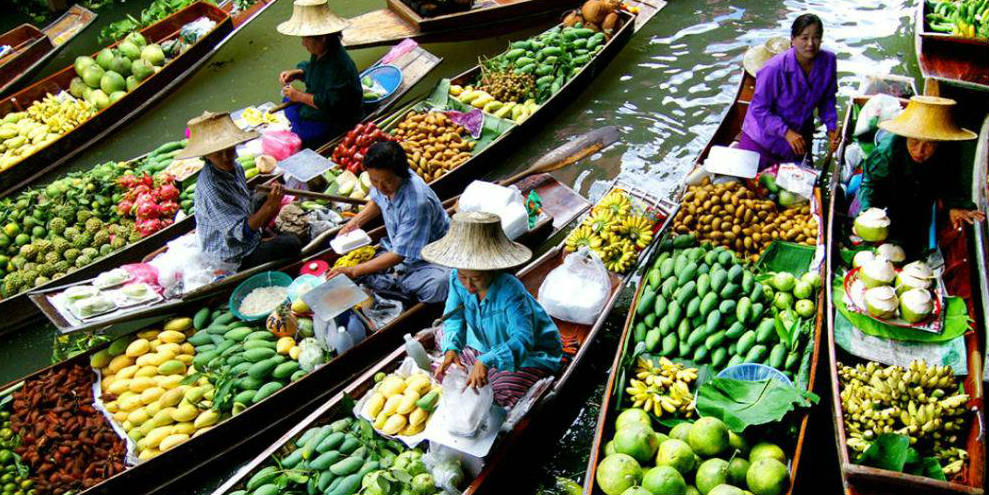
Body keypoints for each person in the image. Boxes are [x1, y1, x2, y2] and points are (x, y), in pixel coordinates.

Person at [424, 211, 563, 408]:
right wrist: (451, 349)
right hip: (486, 343)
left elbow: (523, 339)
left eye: (477, 278)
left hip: (531, 353)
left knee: (498, 392)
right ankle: (477, 360)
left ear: (492, 269)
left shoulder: (510, 290)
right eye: (464, 276)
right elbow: (454, 319)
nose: (468, 285)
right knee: (443, 336)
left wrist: (487, 360)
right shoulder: (456, 279)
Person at [855, 95, 983, 256]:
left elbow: (950, 179)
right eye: (914, 141)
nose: (920, 151)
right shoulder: (886, 154)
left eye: (929, 143)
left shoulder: (949, 151)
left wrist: (955, 205)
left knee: (913, 243)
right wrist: (868, 213)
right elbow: (870, 185)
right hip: (889, 196)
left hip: (921, 200)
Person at [177, 111, 302, 269]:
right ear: (207, 156)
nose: (226, 157)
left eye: (229, 150)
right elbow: (240, 234)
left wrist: (269, 200)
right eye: (218, 154)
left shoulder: (235, 166)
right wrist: (270, 206)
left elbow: (244, 198)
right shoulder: (212, 189)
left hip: (239, 223)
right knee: (292, 243)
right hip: (231, 252)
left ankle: (264, 232)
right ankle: (262, 242)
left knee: (263, 196)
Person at [334, 141, 450, 304]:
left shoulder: (416, 203)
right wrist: (355, 222)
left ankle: (398, 284)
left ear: (401, 174)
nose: (380, 187)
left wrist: (353, 271)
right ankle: (392, 278)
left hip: (429, 257)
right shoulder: (384, 179)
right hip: (395, 246)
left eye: (386, 182)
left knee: (440, 284)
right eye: (374, 181)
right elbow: (377, 200)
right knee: (370, 264)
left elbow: (399, 254)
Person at [738, 13, 840, 169]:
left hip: (797, 141)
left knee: (800, 185)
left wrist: (831, 127)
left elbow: (827, 99)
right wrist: (786, 133)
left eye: (816, 37)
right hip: (762, 141)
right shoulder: (773, 68)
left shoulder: (828, 61)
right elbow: (759, 109)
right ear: (793, 39)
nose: (811, 44)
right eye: (804, 38)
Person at [276, 0, 363, 149]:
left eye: (306, 39)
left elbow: (330, 103)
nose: (303, 44)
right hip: (320, 102)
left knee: (300, 135)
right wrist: (297, 73)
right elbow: (313, 70)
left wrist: (299, 96)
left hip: (338, 116)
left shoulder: (339, 65)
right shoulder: (322, 52)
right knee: (287, 100)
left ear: (322, 38)